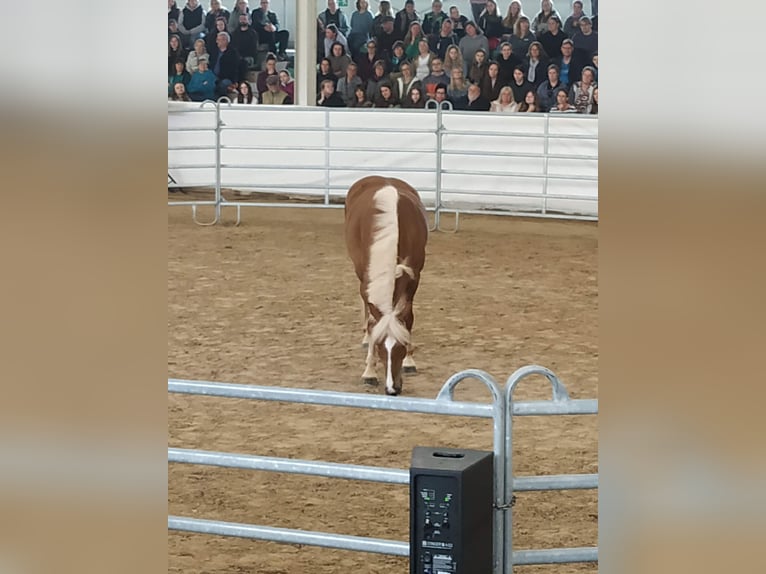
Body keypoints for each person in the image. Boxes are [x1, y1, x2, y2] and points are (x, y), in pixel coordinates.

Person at [210, 31, 242, 98]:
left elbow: (236, 68)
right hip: (212, 77)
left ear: (225, 41)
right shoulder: (214, 51)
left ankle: (221, 101)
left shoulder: (233, 53)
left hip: (226, 78)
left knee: (223, 84)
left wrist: (235, 81)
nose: (217, 42)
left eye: (219, 40)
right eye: (217, 39)